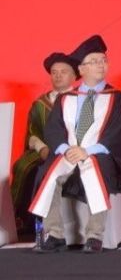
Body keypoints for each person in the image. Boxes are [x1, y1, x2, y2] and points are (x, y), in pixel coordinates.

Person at [29, 35, 121, 254]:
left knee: (99, 168)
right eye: (94, 61)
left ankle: (95, 236)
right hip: (68, 154)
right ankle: (55, 234)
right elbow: (54, 129)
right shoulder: (66, 98)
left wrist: (87, 151)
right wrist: (65, 149)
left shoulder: (118, 98)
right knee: (46, 172)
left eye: (103, 60)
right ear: (82, 69)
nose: (101, 65)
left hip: (101, 154)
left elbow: (119, 134)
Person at [10, 52, 78, 233]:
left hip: (72, 151)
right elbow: (32, 133)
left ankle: (41, 221)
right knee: (24, 167)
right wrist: (42, 148)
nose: (58, 76)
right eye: (54, 72)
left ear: (74, 76)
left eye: (63, 72)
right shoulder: (40, 103)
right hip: (44, 150)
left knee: (45, 171)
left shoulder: (81, 99)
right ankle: (19, 218)